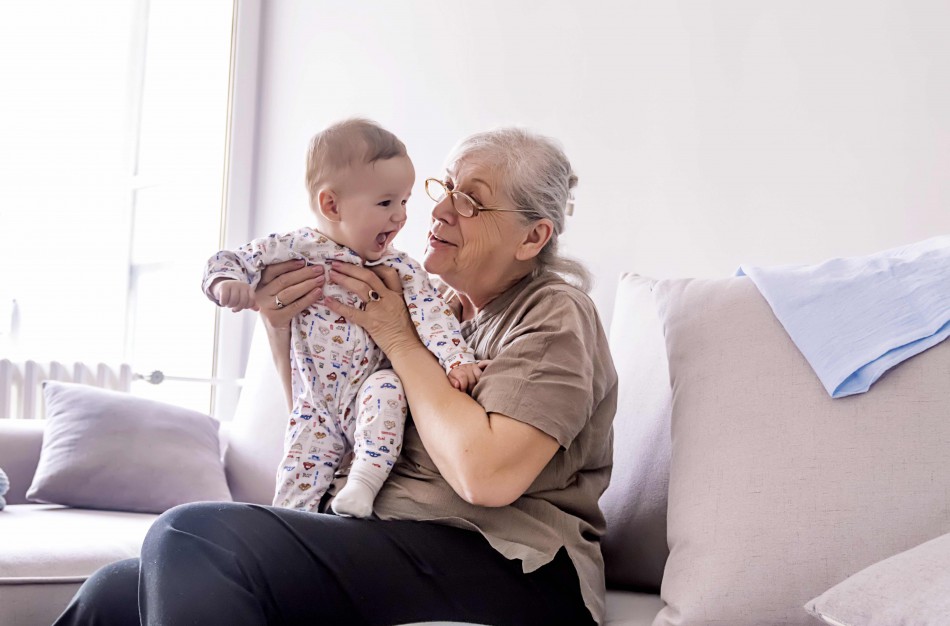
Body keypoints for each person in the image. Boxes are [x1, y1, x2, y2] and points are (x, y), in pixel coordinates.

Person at [54, 127, 617, 626]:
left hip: (513, 565)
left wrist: (398, 338)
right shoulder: (436, 304)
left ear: (532, 238)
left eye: (470, 201)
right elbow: (331, 410)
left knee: (192, 535)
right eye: (443, 188)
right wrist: (278, 327)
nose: (440, 210)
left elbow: (485, 477)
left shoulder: (553, 313)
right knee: (114, 593)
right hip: (391, 533)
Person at [202, 119, 481, 518]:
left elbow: (433, 315)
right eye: (386, 203)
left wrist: (457, 359)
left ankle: (362, 484)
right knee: (296, 483)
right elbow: (231, 258)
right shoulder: (295, 248)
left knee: (388, 388)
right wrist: (225, 282)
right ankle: (289, 533)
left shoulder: (399, 267)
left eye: (404, 202)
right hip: (315, 402)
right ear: (331, 205)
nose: (401, 217)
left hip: (368, 390)